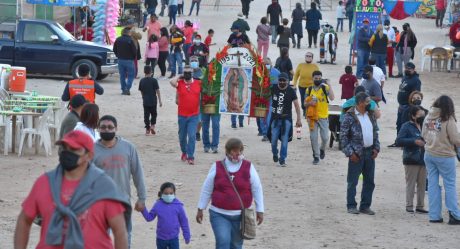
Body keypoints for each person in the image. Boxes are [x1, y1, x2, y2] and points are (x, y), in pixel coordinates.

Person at [14, 130, 130, 249]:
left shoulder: (103, 186)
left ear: (89, 156)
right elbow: (24, 220)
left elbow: (120, 231)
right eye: (65, 148)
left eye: (74, 150)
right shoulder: (44, 183)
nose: (68, 153)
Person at [196, 138, 264, 248]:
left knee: (236, 245)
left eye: (240, 150)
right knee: (223, 241)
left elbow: (257, 189)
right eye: (234, 151)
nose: (237, 153)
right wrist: (200, 208)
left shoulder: (249, 167)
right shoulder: (217, 166)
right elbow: (207, 189)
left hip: (240, 215)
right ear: (227, 151)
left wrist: (260, 210)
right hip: (219, 214)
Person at [93, 115, 147, 246]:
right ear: (98, 129)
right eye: (103, 127)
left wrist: (142, 198)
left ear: (116, 129)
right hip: (99, 204)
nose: (107, 130)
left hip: (123, 202)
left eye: (110, 127)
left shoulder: (128, 148)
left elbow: (137, 173)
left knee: (124, 237)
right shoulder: (91, 150)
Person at [422, 95, 460, 224]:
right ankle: (454, 215)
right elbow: (456, 139)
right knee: (449, 185)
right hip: (445, 156)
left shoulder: (428, 116)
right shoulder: (448, 119)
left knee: (433, 184)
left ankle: (434, 215)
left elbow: (423, 134)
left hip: (429, 153)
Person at [341, 92, 380, 215]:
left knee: (369, 181)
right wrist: (350, 153)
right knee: (352, 181)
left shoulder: (371, 115)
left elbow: (375, 133)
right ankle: (351, 205)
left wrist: (376, 148)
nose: (370, 104)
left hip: (370, 153)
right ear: (359, 103)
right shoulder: (349, 117)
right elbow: (343, 138)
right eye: (367, 102)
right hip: (356, 154)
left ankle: (365, 206)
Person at [396, 106, 428, 214]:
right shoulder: (406, 126)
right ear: (413, 116)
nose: (423, 117)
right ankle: (409, 205)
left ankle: (420, 206)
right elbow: (399, 141)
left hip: (423, 158)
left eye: (423, 115)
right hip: (411, 158)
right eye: (420, 115)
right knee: (411, 183)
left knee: (422, 183)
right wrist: (414, 141)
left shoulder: (425, 126)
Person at [142, 182, 191, 248]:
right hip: (161, 239)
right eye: (166, 193)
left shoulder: (178, 206)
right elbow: (149, 218)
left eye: (171, 193)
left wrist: (186, 235)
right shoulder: (158, 205)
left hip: (174, 238)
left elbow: (184, 221)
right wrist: (143, 209)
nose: (168, 195)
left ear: (174, 193)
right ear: (161, 194)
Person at [267, 73, 302, 166]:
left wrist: (299, 119)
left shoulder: (291, 91)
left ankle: (282, 159)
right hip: (275, 119)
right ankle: (275, 153)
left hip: (286, 119)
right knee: (273, 140)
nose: (282, 82)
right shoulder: (273, 88)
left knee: (284, 139)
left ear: (287, 81)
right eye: (280, 80)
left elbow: (297, 106)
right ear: (278, 80)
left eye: (284, 80)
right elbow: (264, 96)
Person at [170, 66, 201, 165]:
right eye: (185, 72)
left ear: (192, 73)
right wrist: (179, 76)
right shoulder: (180, 83)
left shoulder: (198, 83)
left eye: (189, 72)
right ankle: (184, 152)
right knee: (182, 137)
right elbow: (171, 82)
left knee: (192, 136)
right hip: (182, 115)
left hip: (193, 115)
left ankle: (190, 156)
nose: (187, 74)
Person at [305, 71, 335, 165]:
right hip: (312, 117)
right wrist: (310, 103)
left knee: (325, 137)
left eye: (319, 78)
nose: (317, 80)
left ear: (321, 78)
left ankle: (322, 149)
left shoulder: (325, 88)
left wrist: (329, 84)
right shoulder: (309, 90)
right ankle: (316, 156)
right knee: (314, 138)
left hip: (323, 116)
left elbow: (332, 98)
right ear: (312, 78)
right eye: (315, 78)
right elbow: (304, 104)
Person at [395, 62, 421, 134]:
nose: (407, 70)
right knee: (399, 124)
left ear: (413, 70)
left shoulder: (416, 80)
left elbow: (416, 95)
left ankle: (403, 142)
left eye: (409, 69)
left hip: (407, 107)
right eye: (406, 68)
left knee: (404, 125)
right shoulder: (405, 77)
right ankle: (398, 141)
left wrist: (411, 107)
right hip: (401, 105)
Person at [258, 57, 280, 141]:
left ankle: (269, 132)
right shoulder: (258, 72)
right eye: (264, 64)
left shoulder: (276, 72)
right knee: (262, 115)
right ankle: (264, 133)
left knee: (270, 115)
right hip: (261, 96)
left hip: (272, 96)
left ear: (271, 63)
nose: (266, 65)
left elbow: (280, 84)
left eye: (267, 63)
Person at [139, 66, 162, 135]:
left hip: (145, 101)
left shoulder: (142, 80)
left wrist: (143, 97)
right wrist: (160, 100)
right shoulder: (154, 80)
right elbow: (157, 90)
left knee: (146, 115)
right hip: (153, 101)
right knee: (154, 114)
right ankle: (152, 125)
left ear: (144, 72)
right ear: (151, 72)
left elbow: (141, 91)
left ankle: (147, 129)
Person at [114, 27, 137, 95]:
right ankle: (127, 88)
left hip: (120, 60)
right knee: (131, 75)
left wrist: (118, 55)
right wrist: (133, 57)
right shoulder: (130, 40)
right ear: (128, 33)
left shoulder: (118, 39)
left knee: (122, 76)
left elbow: (114, 49)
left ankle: (123, 89)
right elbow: (134, 51)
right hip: (129, 60)